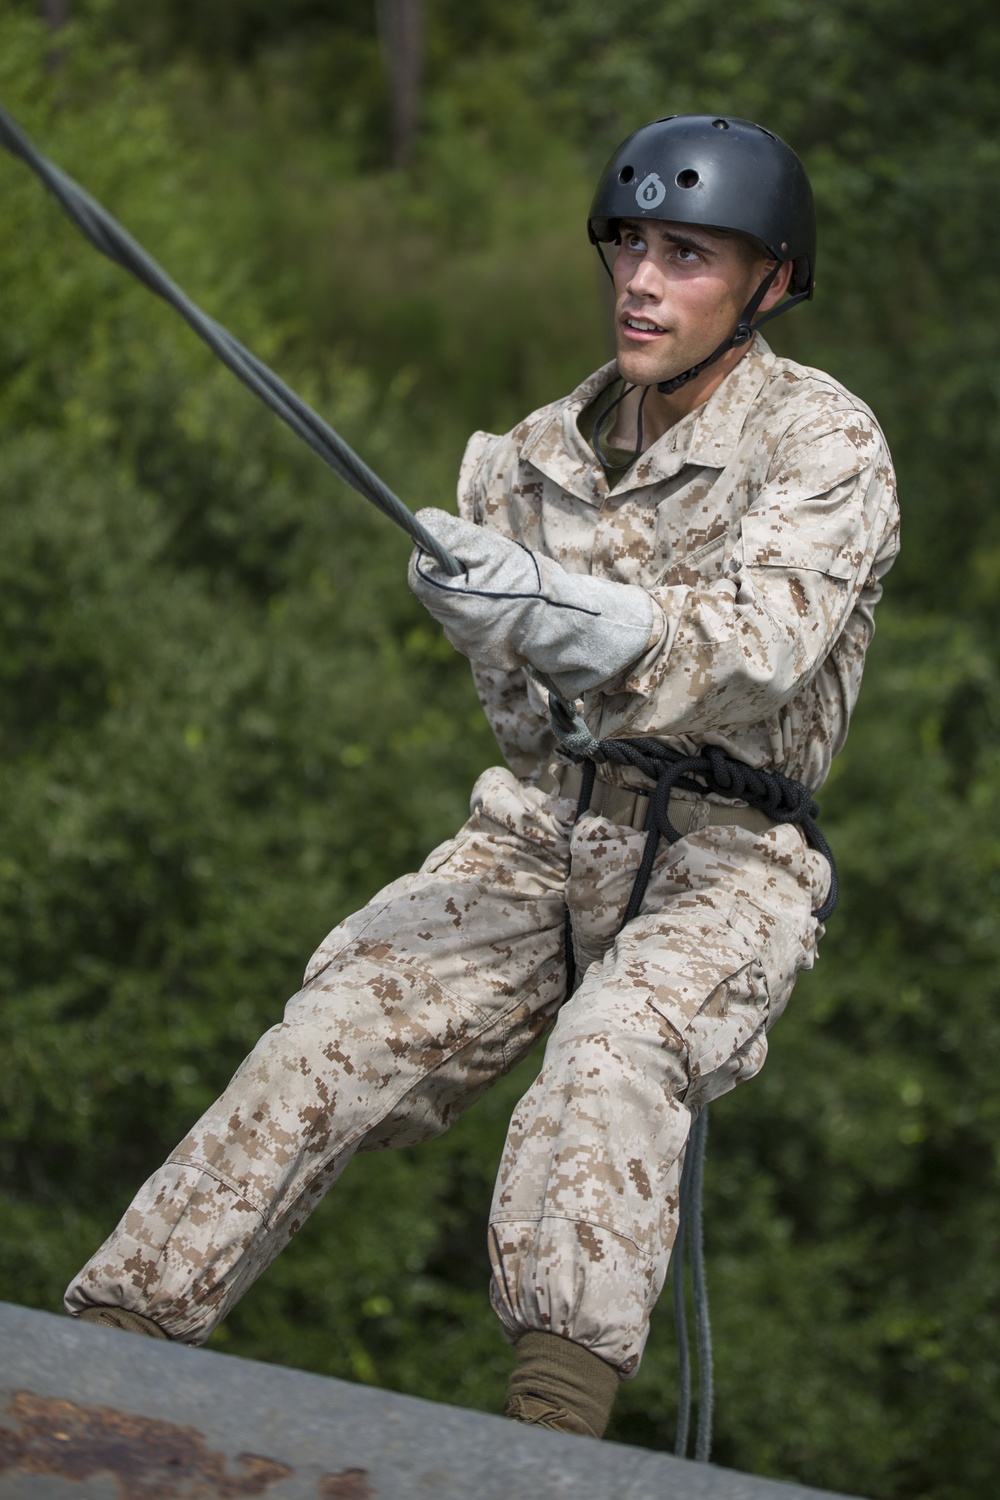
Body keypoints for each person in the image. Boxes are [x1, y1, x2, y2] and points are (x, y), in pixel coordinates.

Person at [65, 115, 899, 1441]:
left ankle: (550, 1441)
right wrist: (494, 625)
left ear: (771, 283)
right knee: (332, 1030)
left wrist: (572, 615)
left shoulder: (821, 442)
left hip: (726, 859)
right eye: (626, 244)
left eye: (687, 254)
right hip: (545, 828)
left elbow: (766, 648)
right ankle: (100, 1363)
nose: (639, 277)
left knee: (614, 1051)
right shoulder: (526, 460)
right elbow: (527, 732)